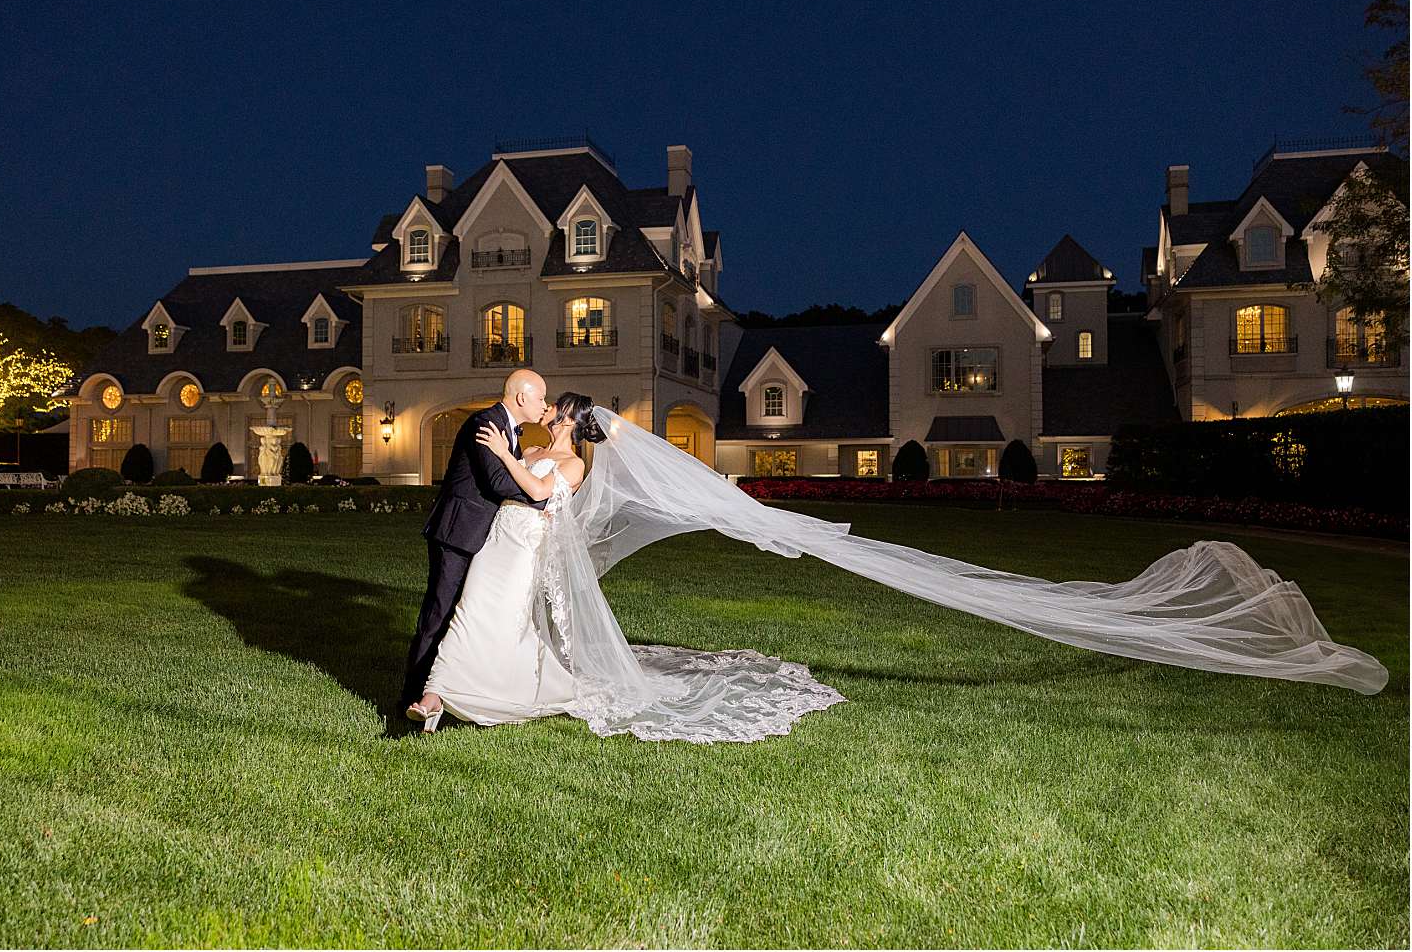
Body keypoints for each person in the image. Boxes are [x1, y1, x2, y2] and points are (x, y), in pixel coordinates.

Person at [406, 400, 1386, 743]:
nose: (547, 430)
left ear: (569, 430)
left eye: (553, 423)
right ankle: (462, 684)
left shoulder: (570, 461)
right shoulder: (577, 458)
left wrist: (518, 463)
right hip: (516, 556)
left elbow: (544, 494)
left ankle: (463, 686)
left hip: (523, 544)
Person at [404, 392, 593, 732]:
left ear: (565, 419)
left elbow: (537, 491)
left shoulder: (574, 463)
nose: (546, 407)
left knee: (505, 621)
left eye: (553, 405)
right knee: (468, 610)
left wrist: (504, 452)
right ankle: (434, 696)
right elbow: (504, 484)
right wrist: (506, 455)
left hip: (525, 548)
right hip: (496, 540)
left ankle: (496, 685)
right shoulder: (532, 451)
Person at [399, 369, 549, 720]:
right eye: (540, 397)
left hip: (478, 535)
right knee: (438, 614)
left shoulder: (509, 429)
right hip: (457, 533)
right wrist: (542, 500)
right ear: (523, 397)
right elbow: (497, 481)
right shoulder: (487, 423)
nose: (544, 404)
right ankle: (411, 696)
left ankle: (443, 693)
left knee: (460, 616)